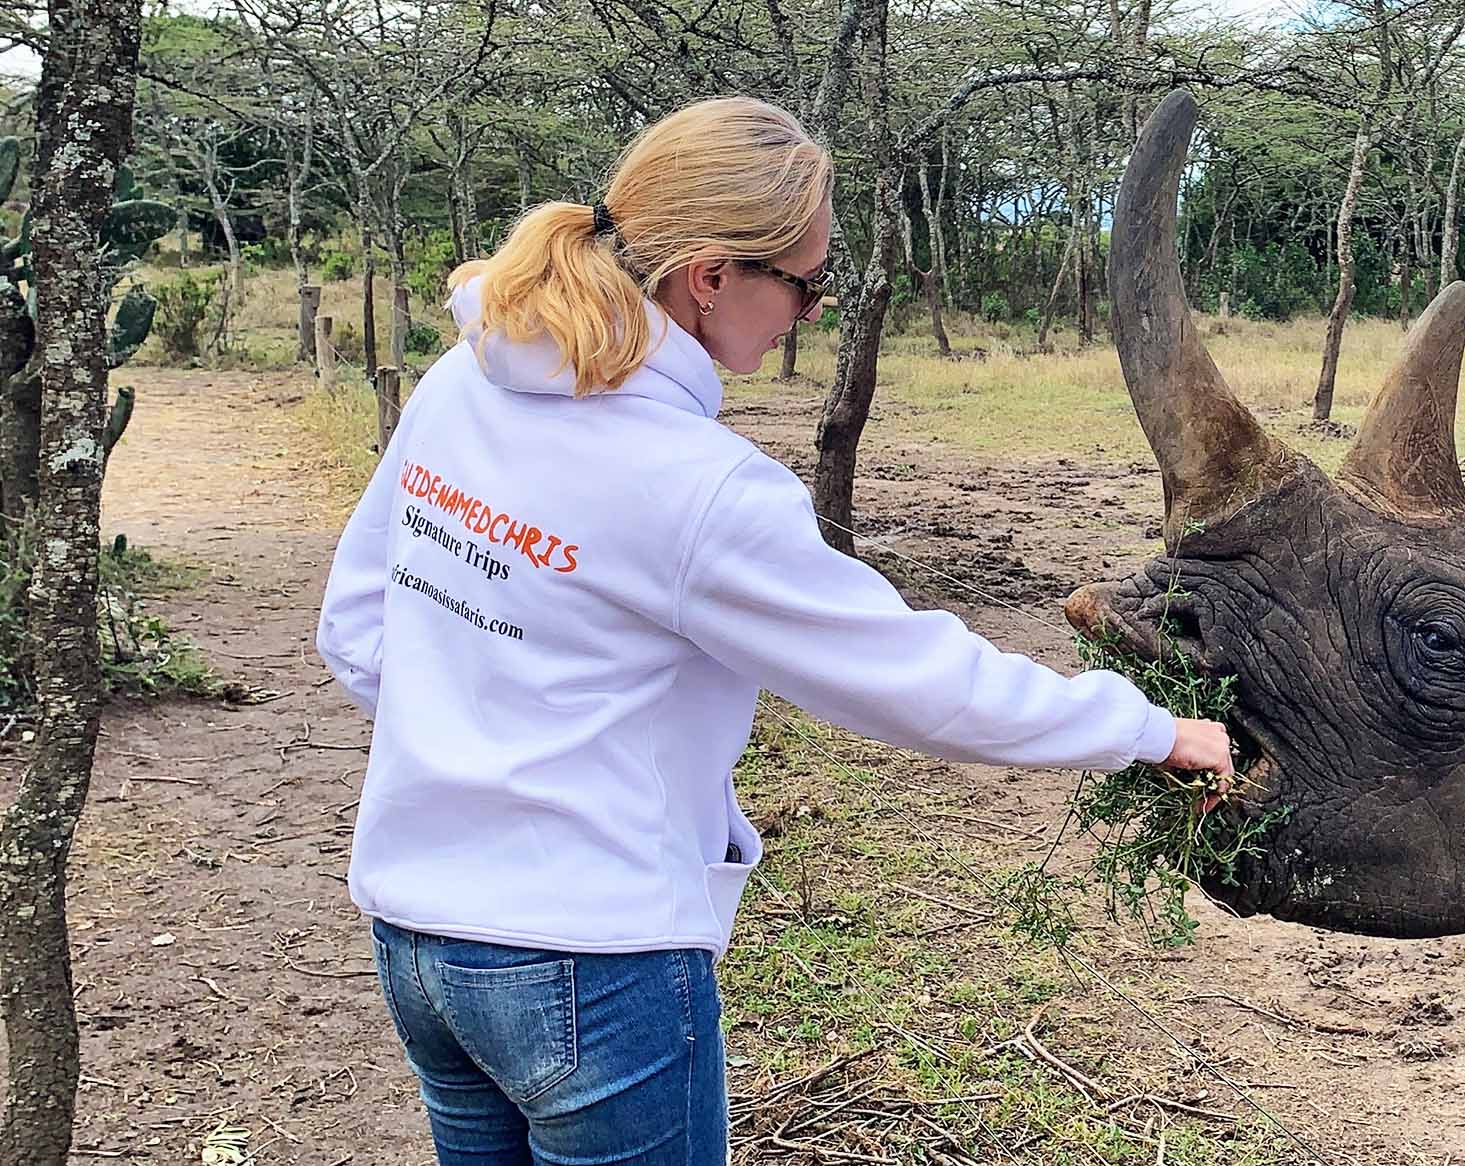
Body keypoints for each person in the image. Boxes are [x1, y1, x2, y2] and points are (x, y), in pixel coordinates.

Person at [314, 96, 1232, 1166]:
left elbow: (356, 626)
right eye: (804, 284)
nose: (810, 312)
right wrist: (1147, 728)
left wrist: (479, 737)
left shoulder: (457, 385)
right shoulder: (701, 488)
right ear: (709, 275)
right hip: (592, 963)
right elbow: (909, 679)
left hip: (418, 939)